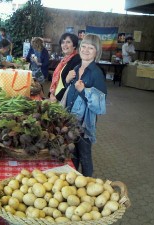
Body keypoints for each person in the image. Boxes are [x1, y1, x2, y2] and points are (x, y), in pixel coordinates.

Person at [61, 34, 107, 177]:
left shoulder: (96, 74)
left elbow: (100, 105)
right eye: (84, 46)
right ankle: (75, 179)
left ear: (97, 52)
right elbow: (70, 91)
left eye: (91, 48)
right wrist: (67, 80)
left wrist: (84, 91)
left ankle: (88, 183)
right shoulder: (76, 67)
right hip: (71, 120)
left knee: (85, 155)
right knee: (73, 152)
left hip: (84, 124)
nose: (86, 50)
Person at [49, 33, 81, 102]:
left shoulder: (77, 60)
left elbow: (71, 84)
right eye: (63, 42)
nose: (64, 45)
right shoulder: (64, 60)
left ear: (74, 45)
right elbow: (57, 80)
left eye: (68, 42)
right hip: (56, 96)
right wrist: (51, 94)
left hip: (63, 99)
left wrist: (57, 97)